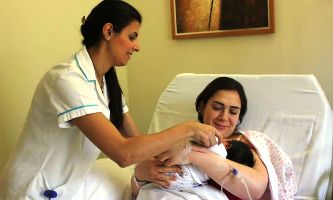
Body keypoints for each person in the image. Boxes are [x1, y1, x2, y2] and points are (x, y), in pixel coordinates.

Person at [0, 1, 223, 199]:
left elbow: (135, 139)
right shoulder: (67, 80)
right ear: (108, 31)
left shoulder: (107, 82)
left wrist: (181, 153)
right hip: (32, 190)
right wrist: (188, 129)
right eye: (132, 37)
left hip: (67, 186)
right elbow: (124, 153)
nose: (137, 46)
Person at [133, 77, 297, 200]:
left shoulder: (241, 144)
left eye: (233, 112)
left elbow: (256, 189)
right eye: (217, 108)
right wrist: (141, 174)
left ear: (239, 117)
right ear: (201, 106)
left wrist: (191, 155)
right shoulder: (180, 137)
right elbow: (136, 190)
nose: (224, 117)